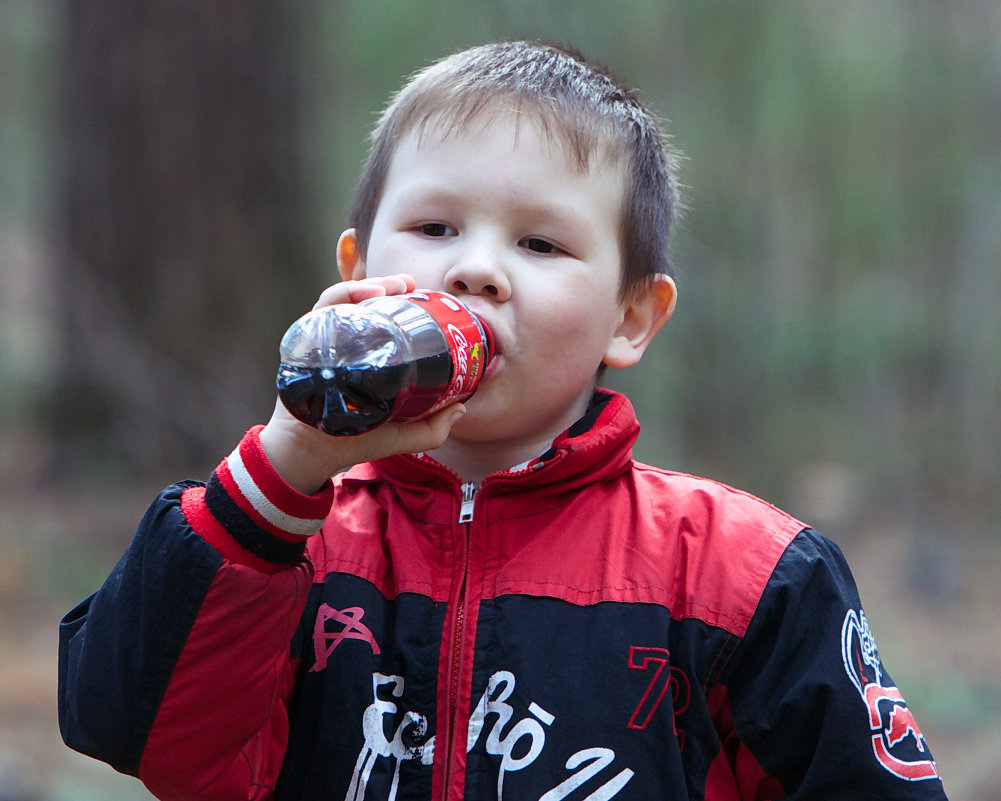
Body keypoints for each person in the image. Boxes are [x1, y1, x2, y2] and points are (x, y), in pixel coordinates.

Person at [58, 40, 949, 801]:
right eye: (435, 226)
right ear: (359, 266)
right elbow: (133, 728)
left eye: (540, 244)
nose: (476, 270)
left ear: (629, 318)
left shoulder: (740, 572)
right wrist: (285, 468)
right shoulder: (283, 540)